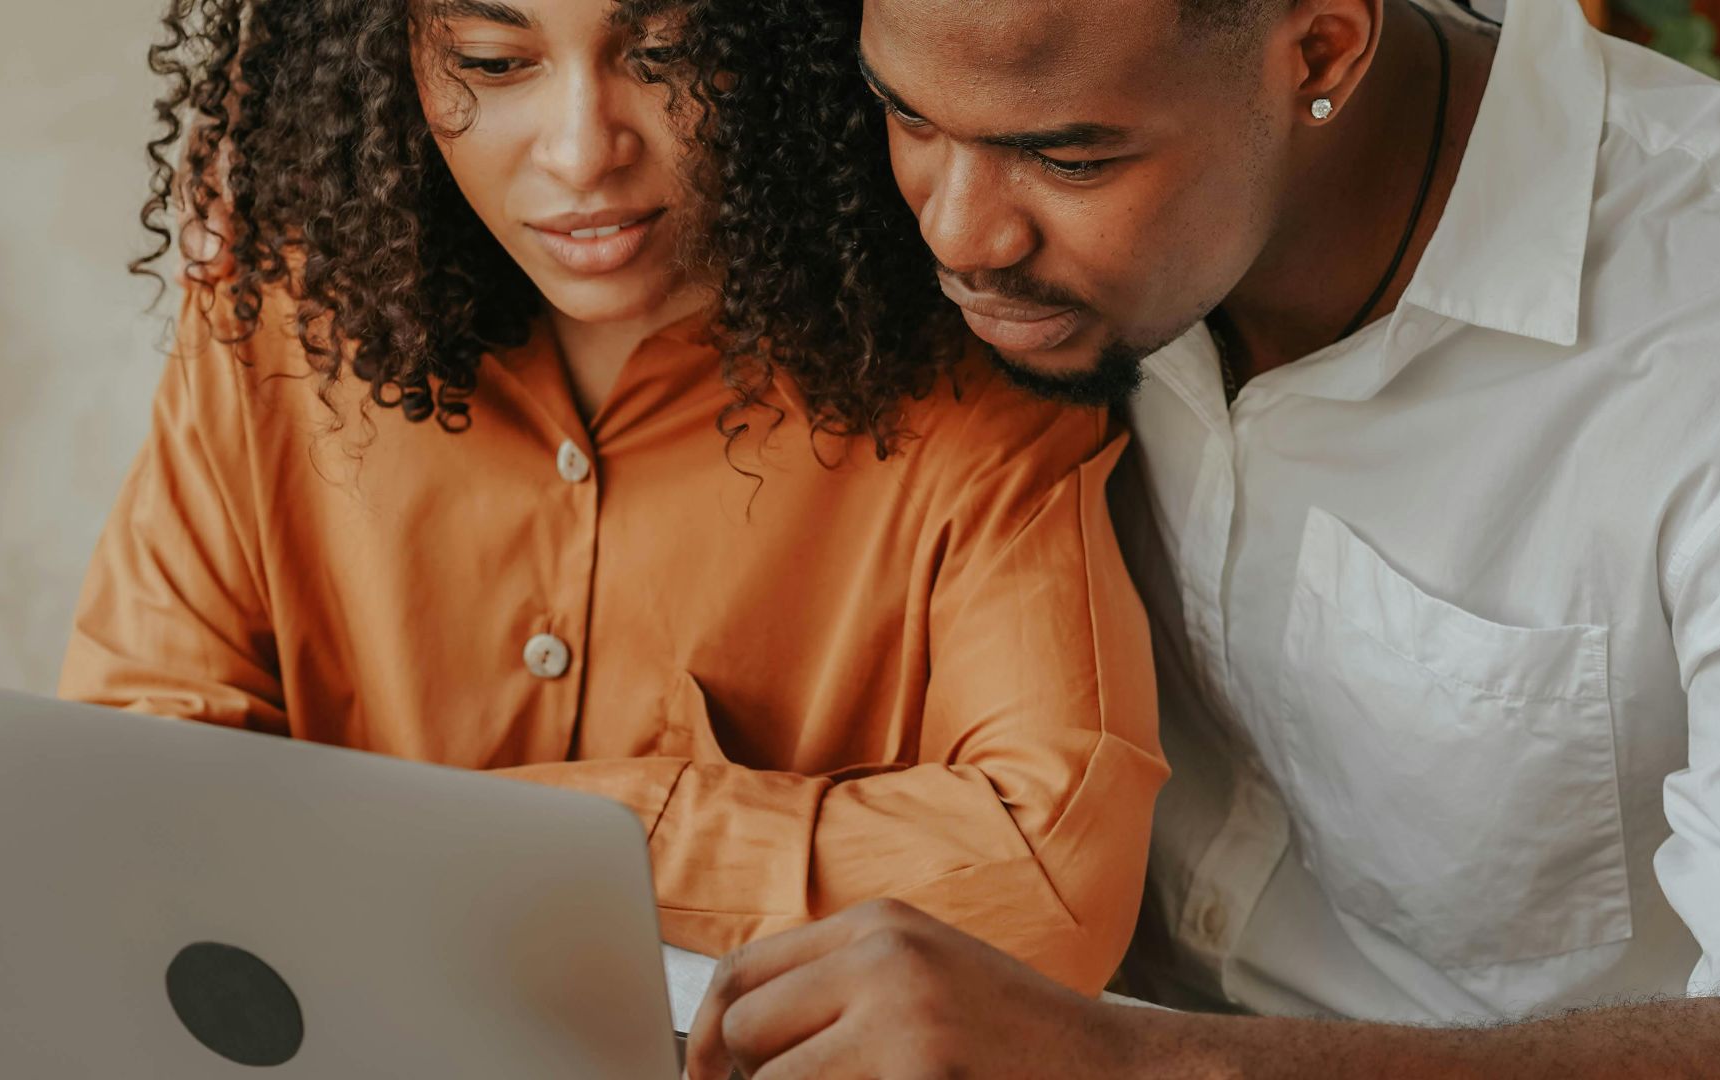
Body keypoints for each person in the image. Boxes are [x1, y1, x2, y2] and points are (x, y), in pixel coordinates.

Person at [681, 0, 1720, 1075]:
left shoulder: (1695, 337)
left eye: (1069, 158)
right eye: (906, 114)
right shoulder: (985, 199)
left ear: (1319, 49)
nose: (958, 237)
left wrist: (1121, 1062)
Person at [59, 0, 1168, 994]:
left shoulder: (979, 380)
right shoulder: (280, 312)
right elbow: (137, 772)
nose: (583, 150)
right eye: (495, 61)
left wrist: (523, 842)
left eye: (667, 53)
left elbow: (1046, 878)